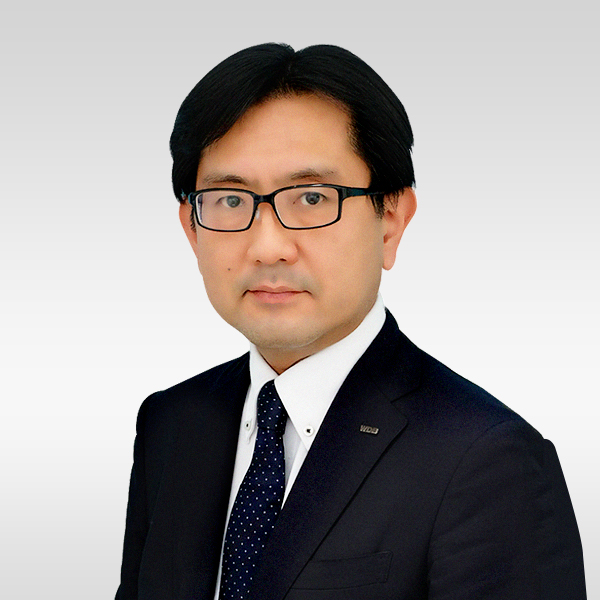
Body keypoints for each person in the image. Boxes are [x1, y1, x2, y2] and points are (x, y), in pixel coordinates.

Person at [115, 43, 586, 600]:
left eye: (313, 197)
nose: (268, 247)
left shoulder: (486, 460)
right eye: (230, 200)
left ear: (391, 220)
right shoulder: (172, 424)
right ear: (191, 229)